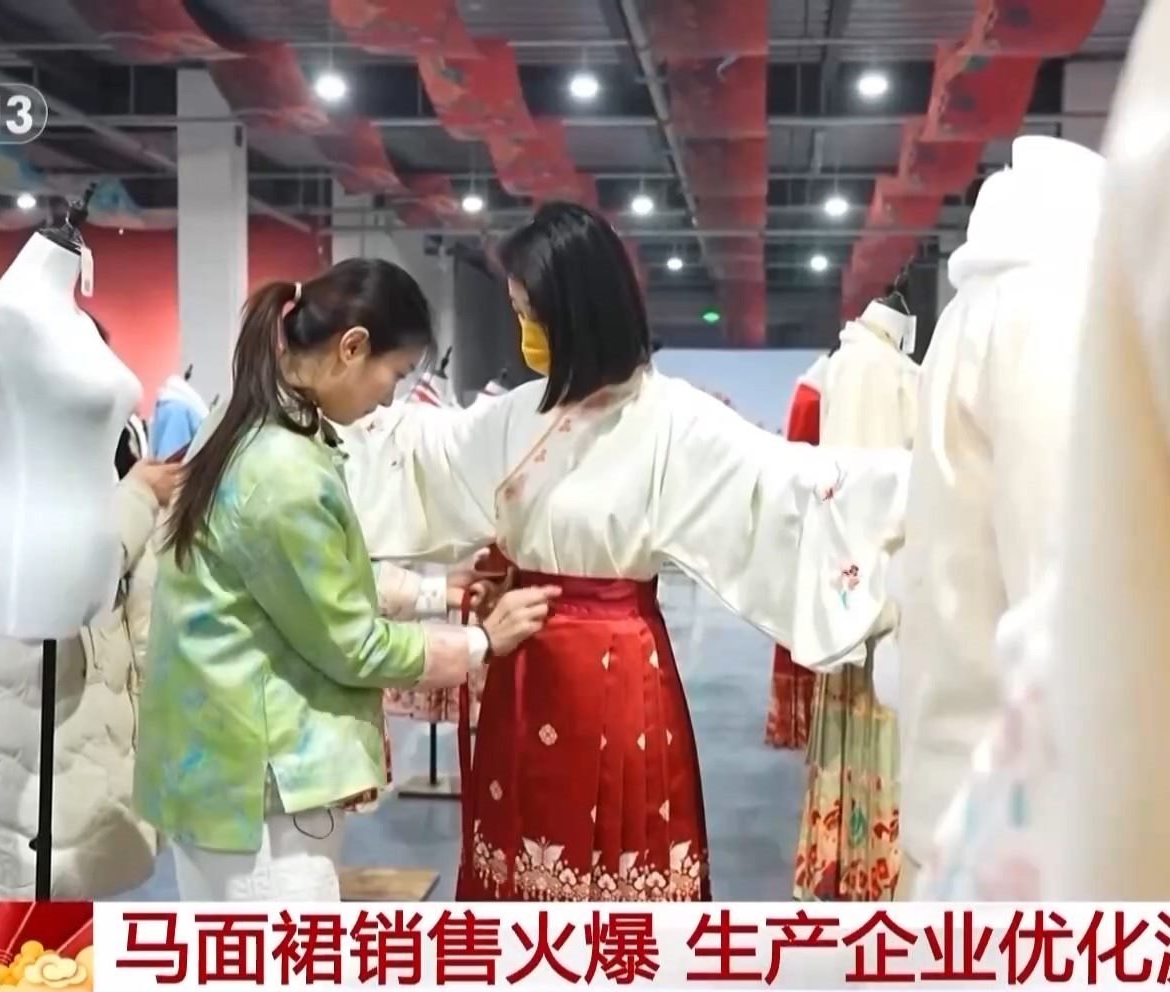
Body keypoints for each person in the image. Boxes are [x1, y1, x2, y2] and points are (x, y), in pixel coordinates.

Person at [340, 202, 909, 901]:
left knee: (619, 866)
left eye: (530, 315)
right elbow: (427, 451)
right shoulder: (516, 414)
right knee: (521, 860)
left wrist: (921, 487)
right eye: (516, 312)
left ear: (575, 313)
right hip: (521, 663)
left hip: (616, 670)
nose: (524, 332)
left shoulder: (669, 415)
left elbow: (787, 482)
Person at [136, 258, 559, 902]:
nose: (388, 399)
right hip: (263, 782)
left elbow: (305, 584)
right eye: (394, 375)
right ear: (352, 348)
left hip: (227, 768)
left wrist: (434, 591)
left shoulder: (246, 427)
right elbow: (350, 642)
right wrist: (481, 642)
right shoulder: (284, 470)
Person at [0, 335, 182, 898]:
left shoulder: (71, 439)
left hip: (71, 690)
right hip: (34, 692)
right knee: (19, 885)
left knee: (69, 876)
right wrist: (138, 496)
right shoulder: (2, 452)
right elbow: (64, 568)